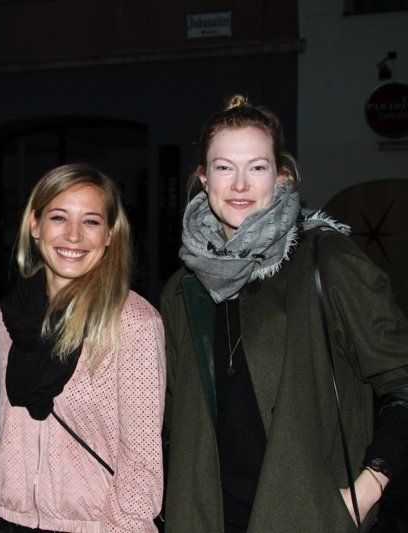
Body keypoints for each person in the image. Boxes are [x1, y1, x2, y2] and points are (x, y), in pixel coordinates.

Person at [161, 95, 408, 532]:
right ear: (203, 178)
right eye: (224, 167)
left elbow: (401, 381)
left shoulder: (325, 261)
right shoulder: (183, 290)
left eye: (257, 167)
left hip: (311, 519)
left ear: (281, 177)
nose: (240, 184)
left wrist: (366, 490)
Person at [0, 163, 166, 532]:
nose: (73, 235)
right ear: (35, 225)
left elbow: (141, 462)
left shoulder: (134, 322)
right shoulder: (11, 314)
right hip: (6, 519)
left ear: (110, 234)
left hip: (95, 526)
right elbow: (6, 423)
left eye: (91, 221)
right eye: (59, 217)